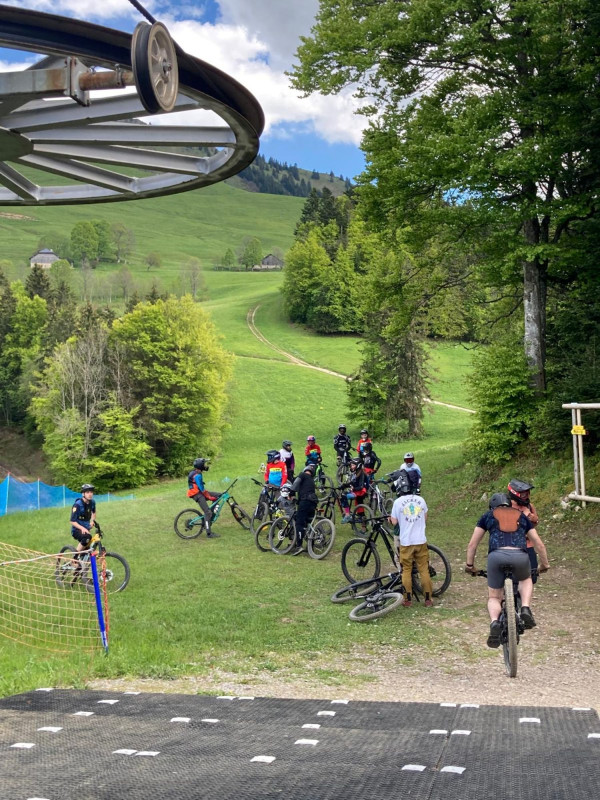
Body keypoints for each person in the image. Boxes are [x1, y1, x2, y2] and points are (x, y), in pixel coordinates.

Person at [465, 492, 550, 647]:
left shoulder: (488, 516)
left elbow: (472, 544)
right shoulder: (522, 516)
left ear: (492, 506)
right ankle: (525, 607)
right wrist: (544, 565)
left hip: (496, 557)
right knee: (525, 580)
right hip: (520, 556)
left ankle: (495, 622)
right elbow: (538, 543)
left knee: (494, 597)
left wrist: (470, 566)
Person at [389, 470, 433, 607]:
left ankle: (407, 599)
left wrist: (390, 520)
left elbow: (394, 522)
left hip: (406, 542)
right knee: (423, 569)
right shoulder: (420, 500)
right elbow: (425, 518)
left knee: (406, 570)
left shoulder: (397, 502)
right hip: (420, 540)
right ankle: (428, 599)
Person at [507, 478, 542, 581]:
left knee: (532, 576)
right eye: (523, 494)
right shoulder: (506, 506)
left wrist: (533, 518)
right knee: (509, 576)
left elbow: (535, 522)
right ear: (515, 493)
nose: (526, 496)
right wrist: (522, 517)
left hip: (528, 545)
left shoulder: (529, 506)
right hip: (510, 545)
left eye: (527, 493)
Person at [187, 457, 222, 538]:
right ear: (200, 466)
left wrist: (212, 497)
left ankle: (210, 517)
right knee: (208, 512)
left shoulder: (196, 472)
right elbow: (202, 490)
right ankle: (209, 533)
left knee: (219, 495)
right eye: (204, 464)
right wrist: (210, 497)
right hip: (197, 494)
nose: (205, 466)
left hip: (199, 492)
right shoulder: (197, 475)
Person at [290, 463, 319, 555]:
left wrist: (291, 493)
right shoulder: (311, 480)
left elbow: (295, 484)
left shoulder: (302, 475)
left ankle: (299, 546)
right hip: (313, 502)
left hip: (305, 501)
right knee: (309, 522)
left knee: (299, 523)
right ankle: (311, 545)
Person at [70, 484, 97, 554]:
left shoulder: (92, 502)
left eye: (91, 492)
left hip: (86, 529)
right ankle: (75, 559)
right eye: (87, 492)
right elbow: (72, 521)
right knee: (87, 538)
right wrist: (82, 528)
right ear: (83, 494)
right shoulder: (77, 505)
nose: (90, 494)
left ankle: (82, 562)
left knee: (88, 549)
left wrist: (92, 521)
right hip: (76, 530)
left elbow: (94, 512)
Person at [340, 457, 368, 522]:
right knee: (360, 508)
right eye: (351, 465)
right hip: (357, 491)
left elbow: (361, 486)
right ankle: (363, 527)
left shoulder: (361, 474)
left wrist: (353, 488)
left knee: (343, 496)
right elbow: (352, 483)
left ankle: (347, 515)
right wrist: (344, 485)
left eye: (353, 465)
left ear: (358, 465)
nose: (351, 467)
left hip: (359, 492)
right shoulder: (356, 473)